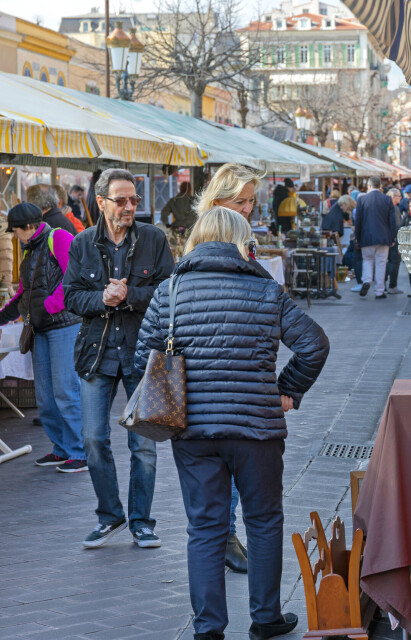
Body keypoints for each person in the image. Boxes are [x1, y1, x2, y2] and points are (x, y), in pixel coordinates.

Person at [135, 207, 329, 640]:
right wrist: (286, 389)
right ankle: (265, 619)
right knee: (263, 521)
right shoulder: (266, 290)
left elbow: (141, 362)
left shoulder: (171, 291)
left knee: (205, 527)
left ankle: (208, 629)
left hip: (193, 430)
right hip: (257, 427)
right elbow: (314, 344)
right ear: (243, 244)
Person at [63, 168, 175, 549]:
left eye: (134, 200)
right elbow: (71, 298)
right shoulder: (82, 244)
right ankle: (110, 515)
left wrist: (127, 296)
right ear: (101, 203)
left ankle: (141, 521)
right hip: (96, 353)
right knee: (93, 438)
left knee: (143, 444)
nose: (130, 207)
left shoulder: (154, 239)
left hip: (142, 352)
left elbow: (168, 291)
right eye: (122, 200)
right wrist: (102, 299)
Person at [193, 161, 268, 573]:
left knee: (230, 467)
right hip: (213, 369)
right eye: (240, 201)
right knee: (223, 465)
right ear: (219, 201)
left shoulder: (245, 239)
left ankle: (223, 533)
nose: (247, 209)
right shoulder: (206, 238)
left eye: (251, 201)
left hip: (239, 366)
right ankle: (222, 534)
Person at [0, 203, 86, 472]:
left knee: (66, 391)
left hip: (63, 327)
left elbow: (73, 280)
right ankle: (61, 449)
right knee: (45, 396)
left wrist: (47, 308)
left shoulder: (60, 238)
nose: (14, 235)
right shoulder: (29, 250)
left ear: (27, 227)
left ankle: (80, 452)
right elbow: (22, 295)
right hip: (41, 329)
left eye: (15, 231)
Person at [353, 176, 398, 300]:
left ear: (368, 186)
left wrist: (357, 238)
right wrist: (392, 238)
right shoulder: (387, 199)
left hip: (366, 237)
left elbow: (358, 221)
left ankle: (366, 281)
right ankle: (379, 291)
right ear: (380, 187)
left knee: (367, 260)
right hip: (383, 237)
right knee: (381, 263)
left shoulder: (362, 200)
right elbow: (392, 221)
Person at [384, 188, 404, 295]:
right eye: (399, 196)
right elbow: (397, 225)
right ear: (393, 197)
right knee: (394, 262)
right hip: (394, 239)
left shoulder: (385, 207)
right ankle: (392, 285)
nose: (401, 198)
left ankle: (383, 282)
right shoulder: (394, 209)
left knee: (388, 262)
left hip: (385, 239)